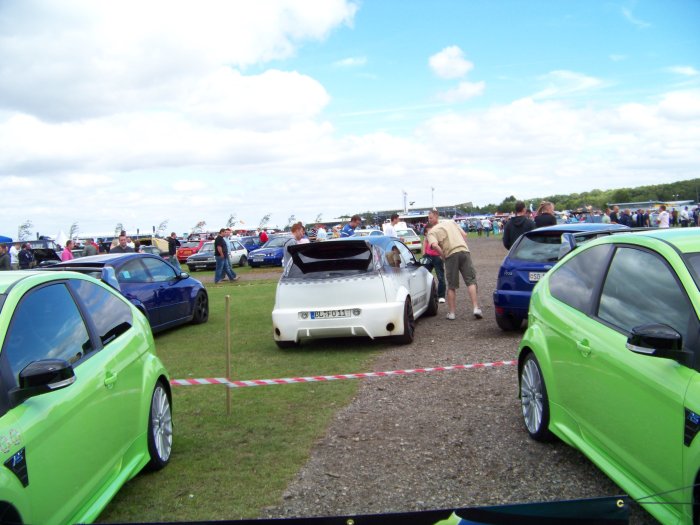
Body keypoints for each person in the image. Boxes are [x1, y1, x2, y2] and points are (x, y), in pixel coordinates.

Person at [425, 210, 482, 320]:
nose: (429, 219)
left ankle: (452, 313)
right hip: (464, 251)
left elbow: (435, 245)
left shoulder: (431, 232)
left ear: (436, 216)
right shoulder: (451, 222)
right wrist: (462, 245)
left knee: (452, 285)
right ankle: (476, 307)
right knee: (470, 281)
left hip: (450, 254)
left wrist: (443, 255)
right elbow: (464, 234)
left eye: (430, 217)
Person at [422, 223, 446, 303]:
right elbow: (424, 244)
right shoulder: (426, 237)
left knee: (440, 277)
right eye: (427, 232)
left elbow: (443, 245)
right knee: (424, 275)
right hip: (428, 256)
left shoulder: (438, 235)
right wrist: (424, 255)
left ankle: (441, 296)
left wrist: (441, 256)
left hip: (437, 257)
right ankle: (426, 294)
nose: (429, 233)